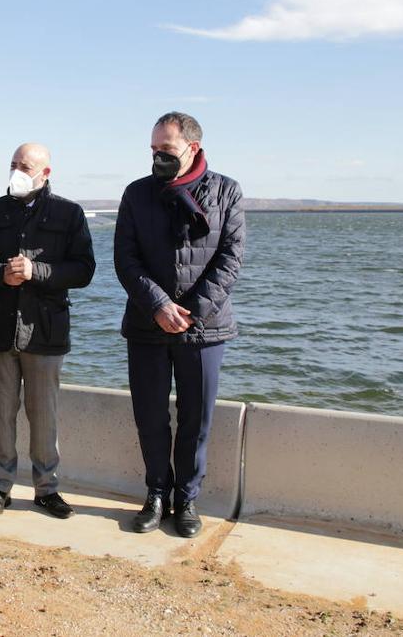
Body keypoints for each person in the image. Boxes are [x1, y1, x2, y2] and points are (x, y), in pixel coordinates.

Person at [113, 111, 245, 538]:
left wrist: (191, 312)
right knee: (150, 415)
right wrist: (159, 305)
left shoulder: (226, 191)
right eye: (152, 151)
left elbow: (230, 258)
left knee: (196, 418)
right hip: (148, 324)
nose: (157, 159)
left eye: (166, 150)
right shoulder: (136, 194)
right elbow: (126, 259)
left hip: (205, 329)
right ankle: (155, 494)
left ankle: (187, 500)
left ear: (193, 147)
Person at [0, 143, 95, 520]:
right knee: (1, 414)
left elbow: (84, 269)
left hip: (45, 331)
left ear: (45, 173)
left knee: (44, 415)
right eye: (13, 164)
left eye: (26, 166)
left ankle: (46, 489)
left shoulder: (69, 213)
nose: (17, 171)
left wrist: (38, 272)